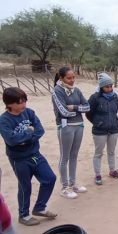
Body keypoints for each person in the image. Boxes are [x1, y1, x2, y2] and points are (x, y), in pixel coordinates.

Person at [0, 87, 57, 226]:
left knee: (50, 178)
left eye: (25, 101)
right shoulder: (4, 120)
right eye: (20, 102)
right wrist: (28, 132)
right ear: (10, 103)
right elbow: (11, 140)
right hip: (18, 159)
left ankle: (39, 208)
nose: (23, 105)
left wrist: (25, 139)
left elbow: (40, 130)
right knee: (25, 186)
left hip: (35, 154)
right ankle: (24, 215)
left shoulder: (29, 113)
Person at [52, 67, 90, 199]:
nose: (72, 80)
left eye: (73, 77)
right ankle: (64, 187)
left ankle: (73, 183)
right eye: (69, 78)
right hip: (65, 127)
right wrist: (79, 110)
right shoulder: (57, 91)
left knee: (74, 155)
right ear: (61, 78)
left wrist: (74, 107)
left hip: (79, 125)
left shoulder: (77, 90)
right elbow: (63, 112)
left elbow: (88, 107)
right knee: (65, 157)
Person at [86, 73, 118, 185]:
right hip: (99, 131)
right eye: (107, 86)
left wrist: (114, 122)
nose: (110, 88)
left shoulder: (115, 96)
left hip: (113, 129)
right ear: (101, 87)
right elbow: (88, 113)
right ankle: (97, 174)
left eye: (111, 86)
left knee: (111, 152)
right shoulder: (95, 97)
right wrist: (98, 123)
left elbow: (115, 110)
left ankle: (112, 171)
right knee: (98, 153)